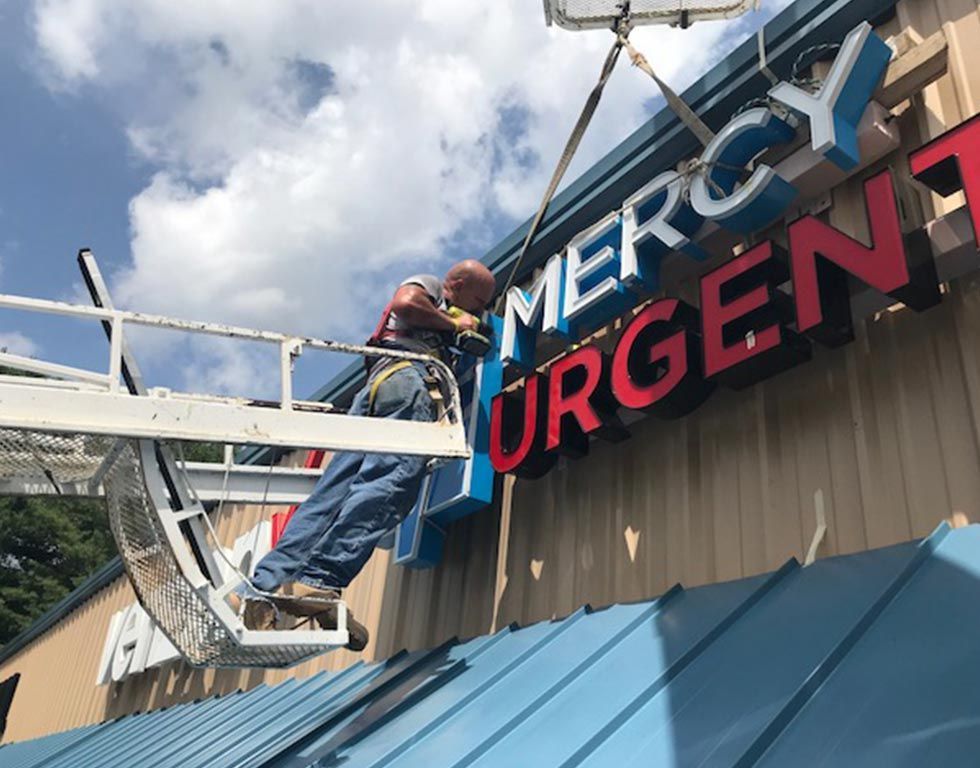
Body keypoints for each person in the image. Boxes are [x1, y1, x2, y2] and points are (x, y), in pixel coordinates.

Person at [240, 260, 496, 650]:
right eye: (477, 301)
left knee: (331, 496)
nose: (477, 311)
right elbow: (405, 304)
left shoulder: (450, 314)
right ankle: (323, 581)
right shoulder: (430, 290)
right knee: (391, 485)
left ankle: (265, 586)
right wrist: (456, 326)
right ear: (455, 284)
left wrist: (474, 328)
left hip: (376, 388)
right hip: (410, 383)